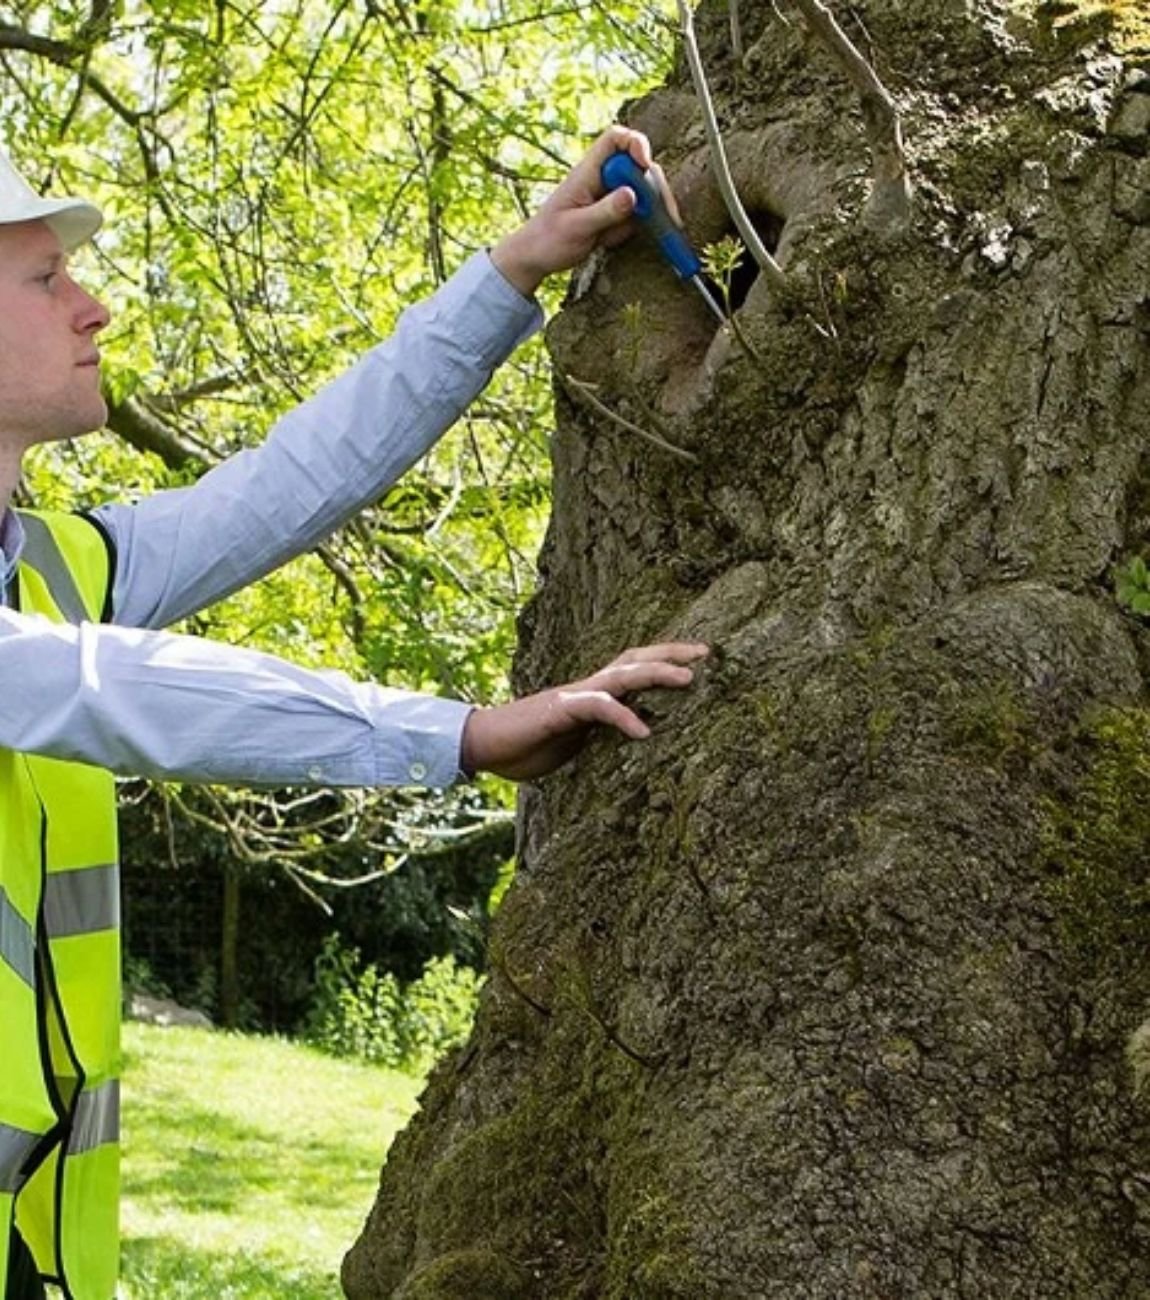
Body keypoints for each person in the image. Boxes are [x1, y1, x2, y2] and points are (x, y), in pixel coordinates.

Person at [0, 126, 707, 1299]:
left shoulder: (57, 569)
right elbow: (109, 689)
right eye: (44, 278)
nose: (96, 308)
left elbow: (298, 476)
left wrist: (516, 267)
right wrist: (459, 733)